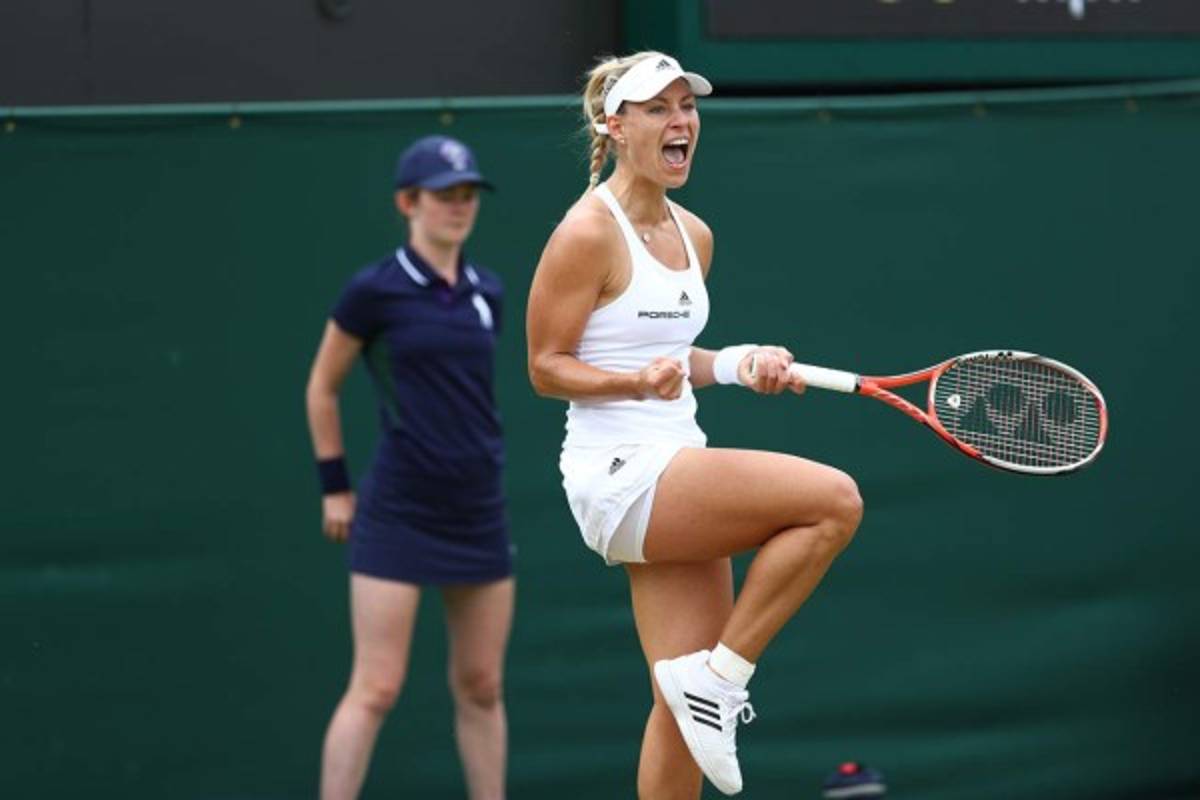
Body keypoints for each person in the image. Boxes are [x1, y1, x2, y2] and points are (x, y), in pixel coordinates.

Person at [525, 52, 864, 798]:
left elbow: (675, 357)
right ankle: (723, 678)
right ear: (614, 127)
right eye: (657, 109)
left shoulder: (696, 235)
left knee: (676, 711)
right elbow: (546, 366)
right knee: (834, 501)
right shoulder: (585, 233)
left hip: (675, 459)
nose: (680, 122)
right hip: (619, 474)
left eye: (687, 107)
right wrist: (629, 382)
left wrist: (739, 362)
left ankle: (705, 684)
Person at [306, 135, 514, 800]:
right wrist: (334, 487)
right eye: (443, 195)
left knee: (483, 685)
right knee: (376, 686)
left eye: (467, 196)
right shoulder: (373, 291)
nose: (458, 207)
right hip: (399, 508)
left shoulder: (490, 292)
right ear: (408, 202)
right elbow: (321, 388)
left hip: (478, 507)